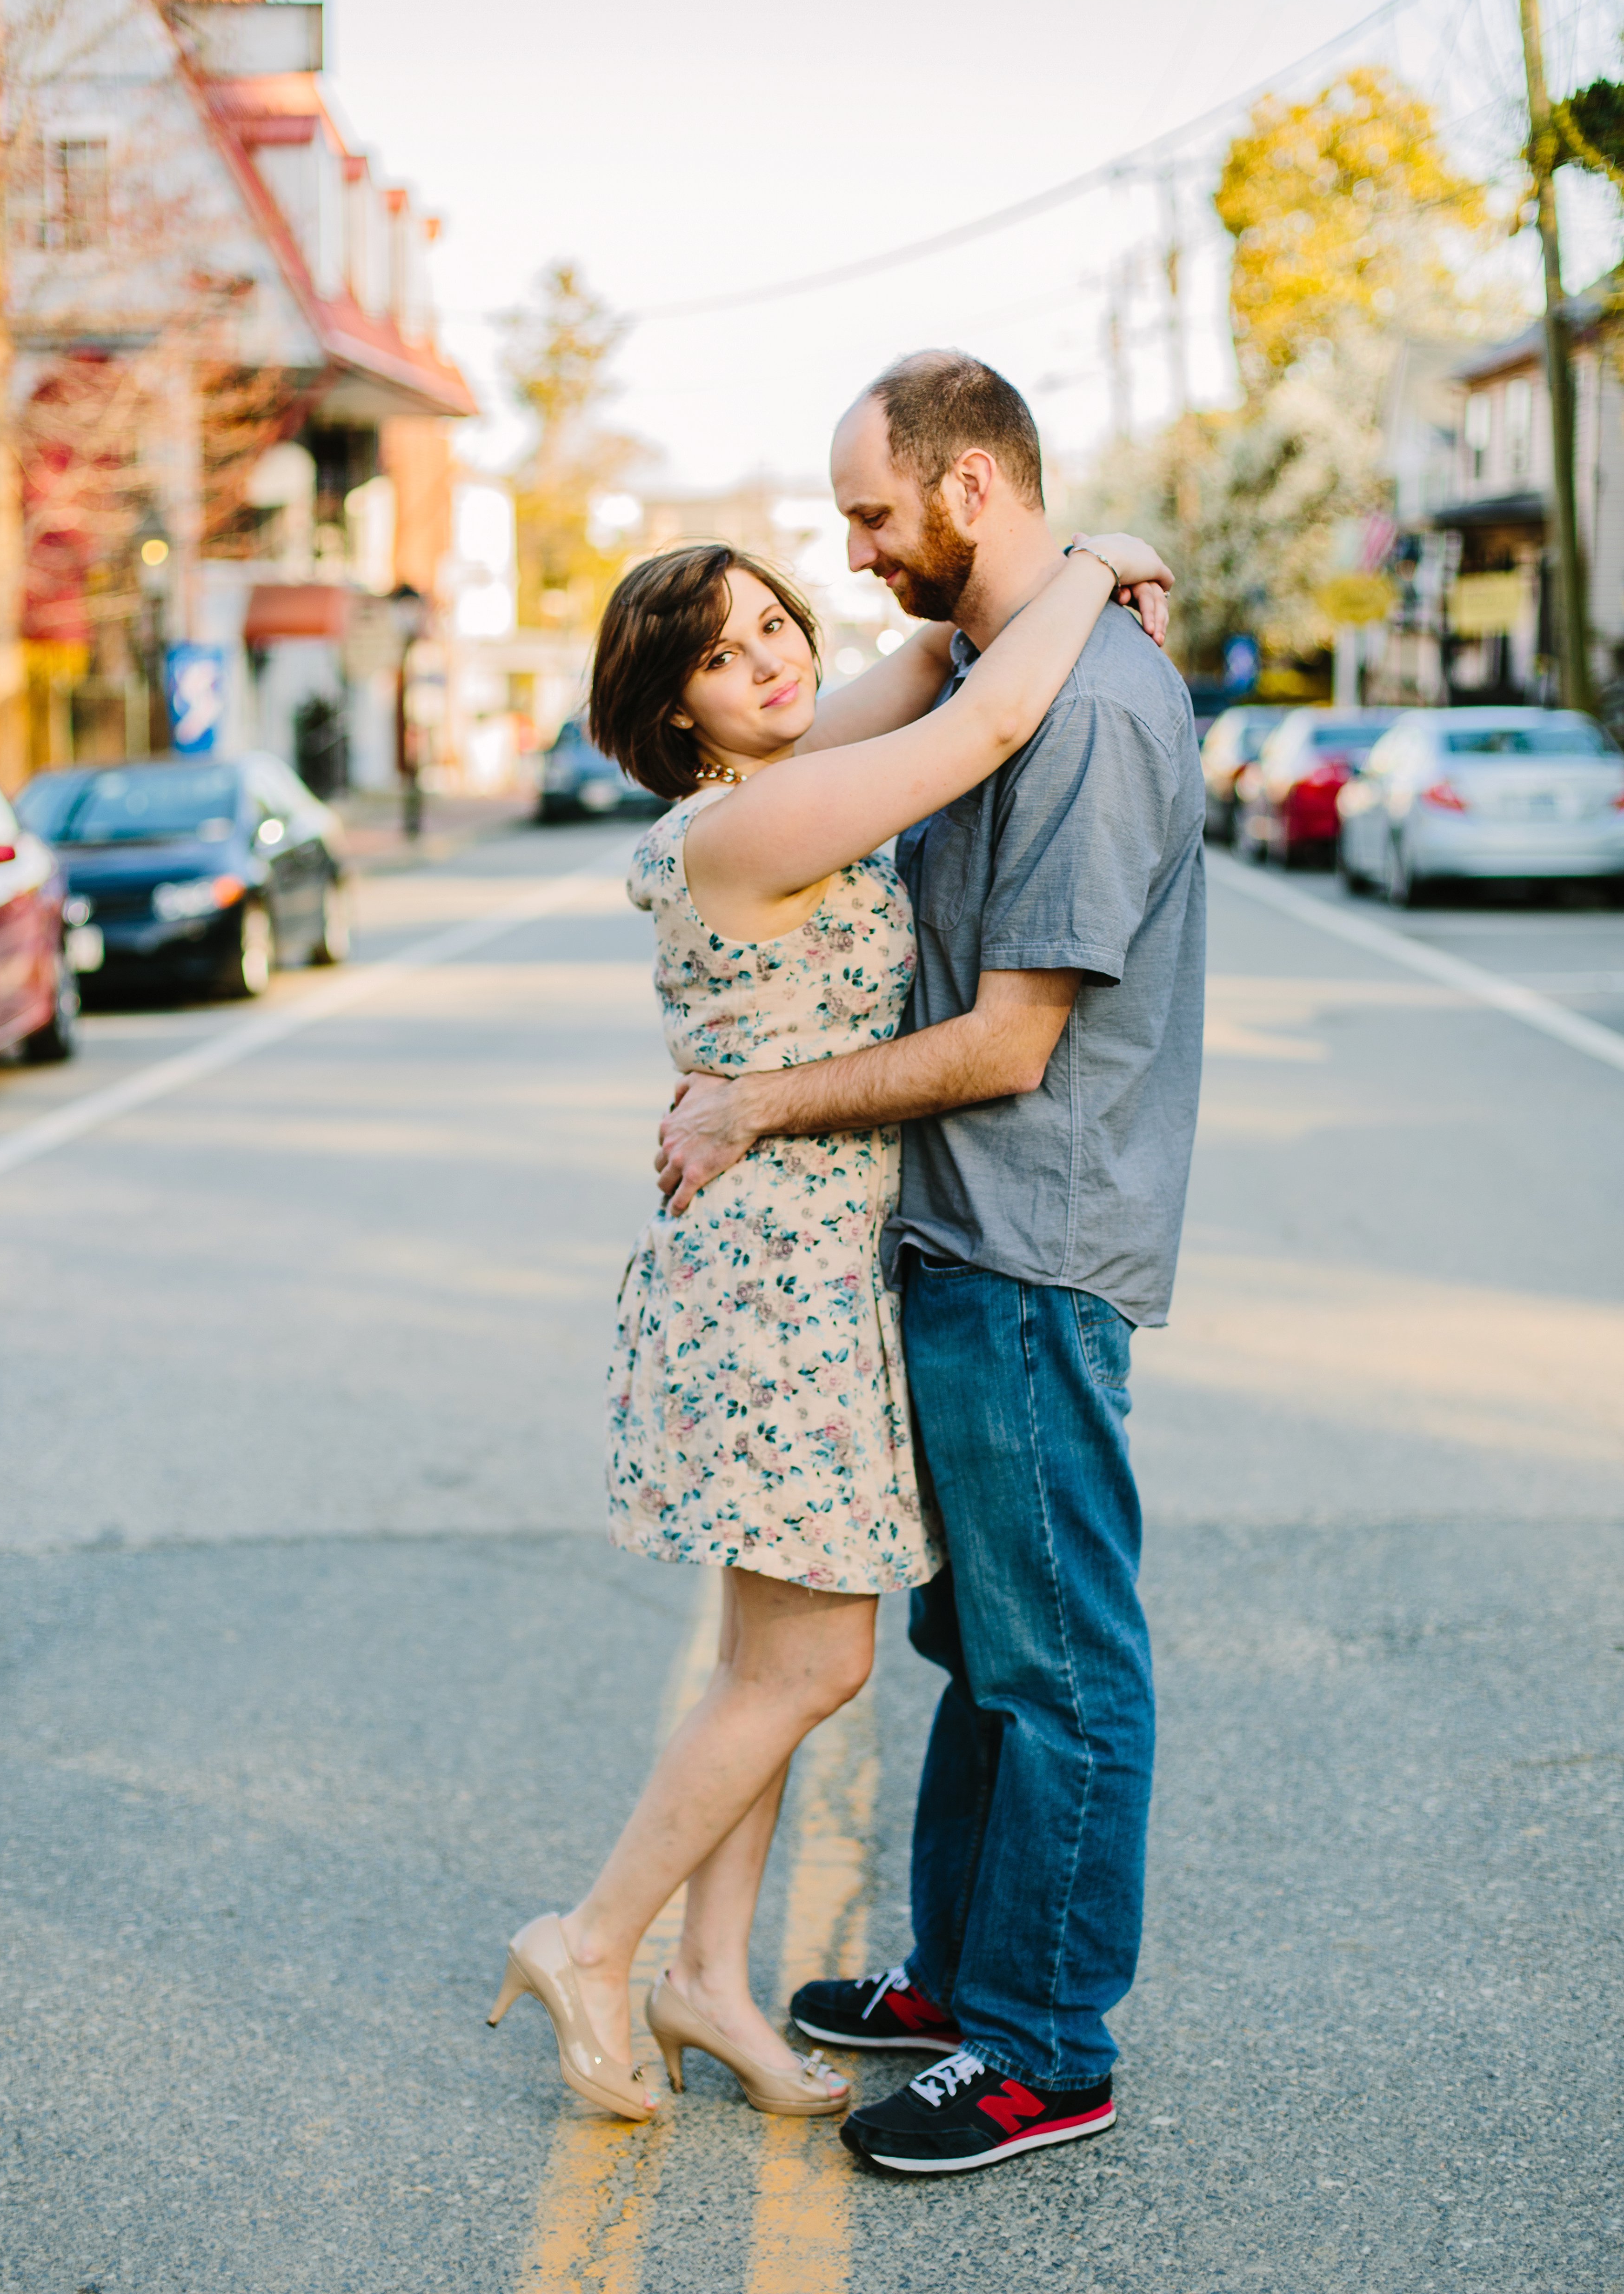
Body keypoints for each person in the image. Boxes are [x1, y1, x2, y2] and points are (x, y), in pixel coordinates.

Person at [487, 503, 1173, 2127]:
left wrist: (1011, 578)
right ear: (676, 715)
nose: (772, 660)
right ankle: (594, 1938)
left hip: (797, 1257)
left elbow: (935, 658)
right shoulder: (745, 831)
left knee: (756, 1659)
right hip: (775, 1276)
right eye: (721, 657)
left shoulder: (771, 778)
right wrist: (1101, 558)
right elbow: (988, 718)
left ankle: (708, 1979)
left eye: (773, 621)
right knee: (807, 1667)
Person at [653, 350, 1207, 2175]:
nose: (856, 550)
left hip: (1030, 1249)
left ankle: (1046, 2044)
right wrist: (1082, 560)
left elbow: (1004, 1041)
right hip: (950, 1234)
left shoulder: (1083, 708)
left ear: (964, 492)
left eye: (872, 513)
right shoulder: (996, 666)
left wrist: (755, 1101)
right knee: (983, 1646)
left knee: (1060, 1666)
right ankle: (968, 1974)